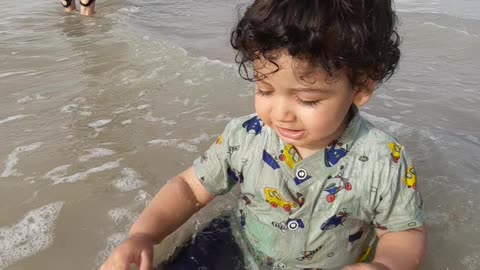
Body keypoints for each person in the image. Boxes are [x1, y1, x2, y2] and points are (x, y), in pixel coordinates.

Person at [100, 0, 427, 269]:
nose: (280, 112)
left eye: (307, 99)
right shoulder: (246, 136)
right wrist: (143, 235)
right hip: (237, 244)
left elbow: (403, 232)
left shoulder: (385, 161)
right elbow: (189, 187)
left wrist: (383, 265)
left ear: (362, 86)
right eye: (265, 89)